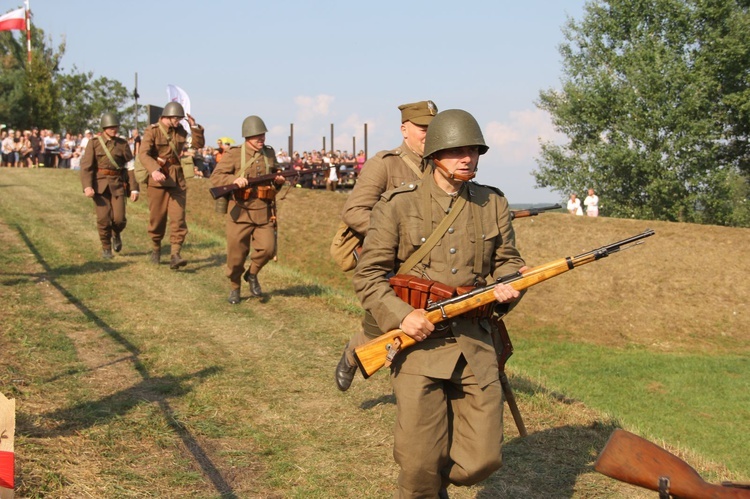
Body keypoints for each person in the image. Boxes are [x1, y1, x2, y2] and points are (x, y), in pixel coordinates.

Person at [353, 109, 525, 497]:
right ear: (434, 155)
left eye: (474, 151)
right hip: (420, 348)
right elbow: (369, 275)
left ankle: (437, 474)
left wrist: (510, 285)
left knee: (482, 460)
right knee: (418, 468)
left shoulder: (492, 203)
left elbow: (509, 261)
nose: (467, 158)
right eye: (456, 151)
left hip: (476, 345)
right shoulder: (397, 205)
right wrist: (403, 316)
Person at [334, 99, 438, 391]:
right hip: (393, 263)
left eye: (434, 128)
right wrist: (396, 236)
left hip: (434, 263)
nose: (429, 134)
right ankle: (353, 353)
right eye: (422, 128)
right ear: (405, 130)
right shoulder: (385, 164)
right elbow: (354, 211)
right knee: (383, 323)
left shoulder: (441, 167)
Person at [210, 116, 284, 304]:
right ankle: (235, 287)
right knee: (236, 256)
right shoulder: (235, 154)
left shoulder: (269, 153)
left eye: (263, 136)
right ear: (247, 136)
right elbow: (216, 177)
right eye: (257, 136)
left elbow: (273, 179)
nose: (262, 139)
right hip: (240, 212)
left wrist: (279, 182)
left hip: (263, 210)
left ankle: (252, 274)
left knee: (268, 249)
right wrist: (233, 181)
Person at [138, 101, 205, 268]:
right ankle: (156, 247)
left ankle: (175, 254)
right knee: (157, 218)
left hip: (177, 178)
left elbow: (198, 145)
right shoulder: (152, 131)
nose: (179, 121)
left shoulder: (181, 131)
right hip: (158, 179)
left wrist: (194, 126)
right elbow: (143, 154)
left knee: (178, 218)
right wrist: (154, 170)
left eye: (181, 119)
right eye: (177, 118)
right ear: (167, 117)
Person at [80, 113, 139, 259]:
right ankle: (106, 247)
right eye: (111, 127)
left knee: (119, 219)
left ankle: (116, 233)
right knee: (103, 219)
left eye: (116, 127)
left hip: (118, 184)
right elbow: (86, 166)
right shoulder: (94, 143)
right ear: (105, 127)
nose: (114, 129)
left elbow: (130, 166)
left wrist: (134, 188)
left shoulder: (122, 144)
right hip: (99, 185)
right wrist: (87, 186)